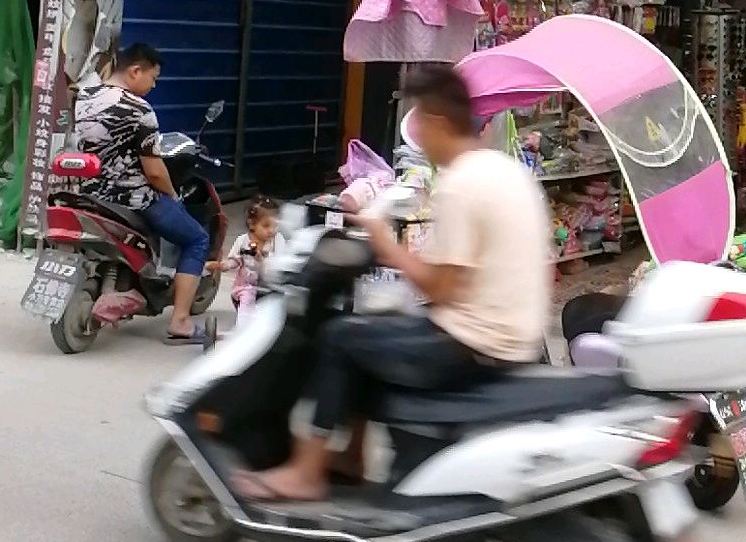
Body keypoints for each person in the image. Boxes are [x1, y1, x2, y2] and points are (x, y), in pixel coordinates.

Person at [235, 61, 554, 503]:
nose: (416, 134)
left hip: (476, 341)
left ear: (435, 122)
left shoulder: (463, 183)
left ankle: (305, 473)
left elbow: (440, 289)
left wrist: (387, 243)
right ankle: (349, 456)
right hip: (514, 335)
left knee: (339, 337)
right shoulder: (506, 171)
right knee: (376, 331)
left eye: (418, 120)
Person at [73, 41, 210, 343]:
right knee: (198, 239)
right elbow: (155, 172)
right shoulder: (138, 109)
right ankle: (181, 322)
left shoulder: (84, 97)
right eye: (153, 77)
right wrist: (173, 195)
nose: (154, 85)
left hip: (90, 193)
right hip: (132, 199)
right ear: (136, 71)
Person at [212, 197, 285, 322]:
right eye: (266, 226)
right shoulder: (243, 241)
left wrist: (263, 260)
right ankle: (243, 329)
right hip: (246, 287)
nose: (271, 231)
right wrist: (224, 266)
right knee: (248, 296)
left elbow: (280, 265)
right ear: (252, 224)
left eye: (275, 226)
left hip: (270, 287)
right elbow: (236, 260)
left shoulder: (278, 241)